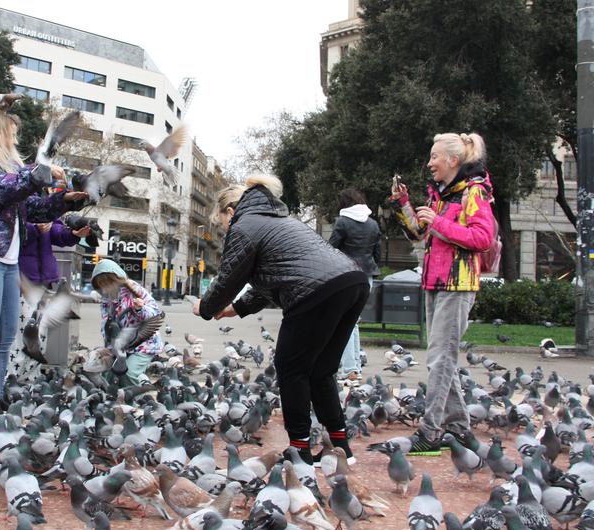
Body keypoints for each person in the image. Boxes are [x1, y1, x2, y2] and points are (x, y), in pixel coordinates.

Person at [192, 175, 369, 465]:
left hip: (315, 293)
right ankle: (340, 447)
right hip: (352, 283)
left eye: (221, 224)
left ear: (230, 211)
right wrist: (233, 309)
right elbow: (272, 282)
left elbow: (227, 279)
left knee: (290, 367)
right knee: (321, 369)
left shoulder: (244, 225)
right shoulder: (280, 220)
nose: (224, 231)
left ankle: (299, 449)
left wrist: (207, 307)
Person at [0, 95, 87, 400]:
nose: (16, 140)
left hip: (8, 262)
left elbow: (33, 209)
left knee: (4, 339)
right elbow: (3, 191)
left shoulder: (11, 171)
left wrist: (64, 200)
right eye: (12, 134)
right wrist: (36, 171)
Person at [389, 132, 496, 452]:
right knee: (442, 359)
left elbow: (483, 239)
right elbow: (417, 233)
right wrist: (402, 203)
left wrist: (438, 222)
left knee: (439, 360)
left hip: (459, 284)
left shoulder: (474, 193)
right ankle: (460, 427)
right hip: (435, 283)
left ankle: (431, 431)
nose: (429, 162)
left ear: (453, 160)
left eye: (435, 157)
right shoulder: (440, 194)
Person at [7, 218, 91, 383]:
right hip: (21, 278)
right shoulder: (17, 198)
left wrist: (71, 233)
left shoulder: (43, 198)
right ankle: (12, 379)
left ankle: (31, 378)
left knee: (39, 335)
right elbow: (10, 231)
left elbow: (55, 228)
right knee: (19, 336)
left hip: (42, 281)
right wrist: (35, 228)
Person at [329, 189, 381, 383]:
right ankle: (355, 367)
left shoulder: (342, 222)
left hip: (346, 274)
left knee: (346, 322)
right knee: (353, 322)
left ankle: (350, 368)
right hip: (367, 275)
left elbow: (331, 249)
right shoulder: (373, 224)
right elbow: (377, 253)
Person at [92, 259, 163, 386]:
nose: (104, 286)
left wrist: (140, 309)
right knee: (109, 373)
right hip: (121, 345)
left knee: (129, 374)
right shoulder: (105, 299)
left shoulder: (134, 289)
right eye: (100, 284)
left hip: (144, 344)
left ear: (115, 279)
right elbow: (106, 326)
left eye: (106, 282)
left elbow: (155, 313)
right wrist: (109, 348)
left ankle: (137, 402)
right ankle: (113, 401)